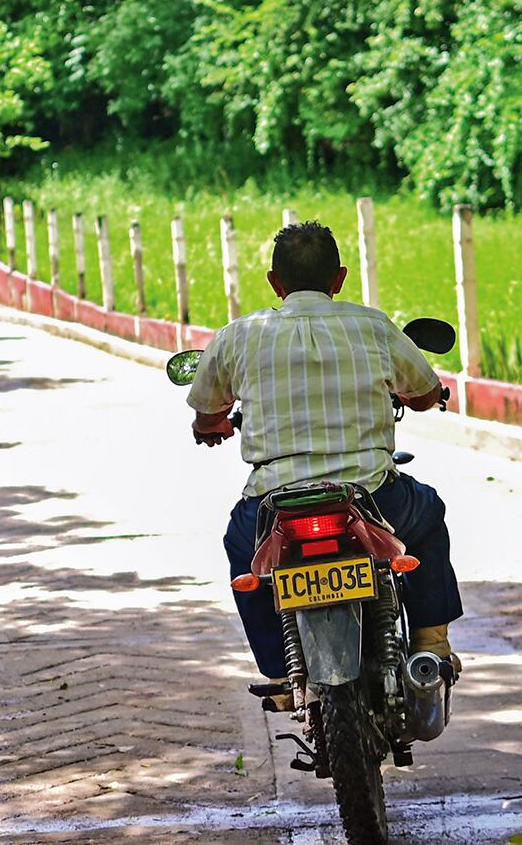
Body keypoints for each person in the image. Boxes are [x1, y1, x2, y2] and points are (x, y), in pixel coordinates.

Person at [185, 220, 463, 700]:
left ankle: (278, 672)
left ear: (276, 283)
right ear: (339, 279)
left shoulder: (239, 335)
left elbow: (207, 410)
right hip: (371, 497)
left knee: (239, 547)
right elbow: (421, 392)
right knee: (429, 512)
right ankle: (430, 646)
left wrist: (210, 429)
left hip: (276, 504)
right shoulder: (373, 325)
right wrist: (429, 396)